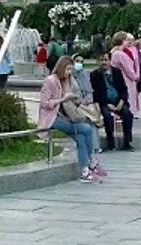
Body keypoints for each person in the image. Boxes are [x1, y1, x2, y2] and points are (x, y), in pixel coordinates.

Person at [39, 55, 104, 183]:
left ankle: (85, 170)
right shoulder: (51, 80)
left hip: (67, 116)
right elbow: (45, 103)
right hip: (53, 117)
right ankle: (92, 160)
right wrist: (63, 99)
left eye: (71, 70)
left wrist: (75, 99)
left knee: (81, 137)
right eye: (68, 69)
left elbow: (74, 96)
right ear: (61, 67)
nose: (70, 72)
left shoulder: (67, 80)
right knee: (86, 129)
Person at [90, 51, 133, 151]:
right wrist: (107, 104)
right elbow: (96, 93)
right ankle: (110, 143)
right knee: (107, 116)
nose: (104, 62)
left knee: (127, 114)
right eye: (101, 60)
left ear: (110, 61)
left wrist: (122, 101)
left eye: (106, 60)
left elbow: (123, 89)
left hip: (118, 101)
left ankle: (127, 142)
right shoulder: (95, 75)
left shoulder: (117, 72)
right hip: (104, 103)